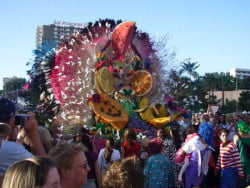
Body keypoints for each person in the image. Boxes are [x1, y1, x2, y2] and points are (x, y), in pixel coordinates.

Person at [0, 98, 46, 185]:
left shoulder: (7, 147)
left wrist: (11, 137)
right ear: (12, 119)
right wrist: (32, 133)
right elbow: (45, 167)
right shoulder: (10, 149)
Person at [234, 121, 250, 186]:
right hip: (249, 159)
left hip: (242, 160)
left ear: (239, 128)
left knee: (242, 181)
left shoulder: (237, 137)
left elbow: (234, 149)